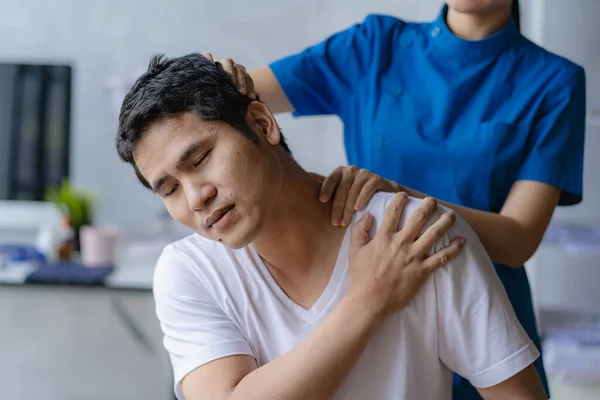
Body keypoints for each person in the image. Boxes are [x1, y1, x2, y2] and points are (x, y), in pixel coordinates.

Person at [204, 0, 587, 397]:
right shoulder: (373, 46)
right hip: (379, 305)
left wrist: (397, 196)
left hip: (487, 320)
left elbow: (519, 238)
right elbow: (235, 98)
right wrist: (216, 76)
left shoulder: (555, 81)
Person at [116, 53, 547, 400]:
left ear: (262, 124)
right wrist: (368, 300)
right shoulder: (188, 270)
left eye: (200, 159)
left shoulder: (415, 235)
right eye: (170, 188)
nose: (196, 198)